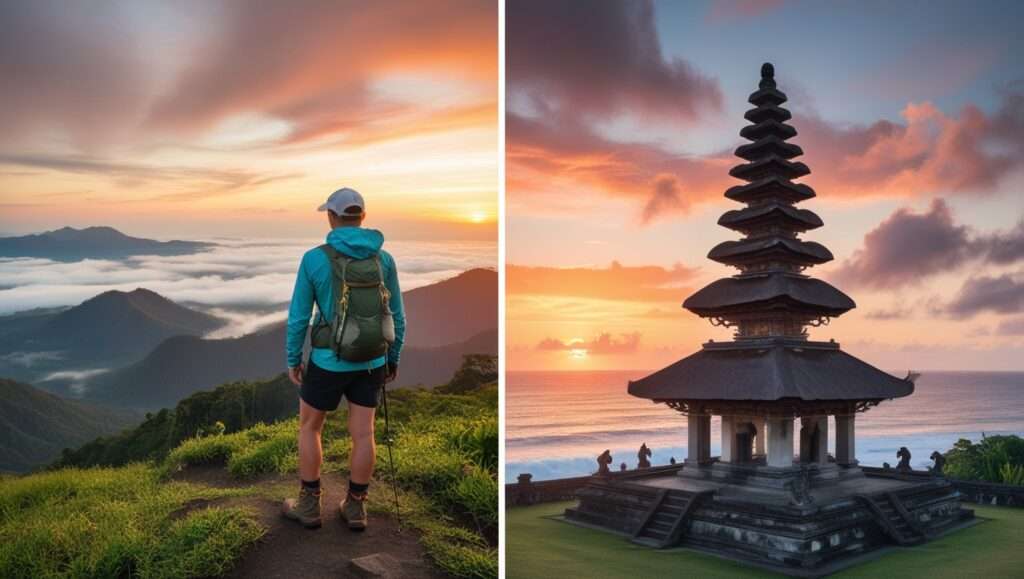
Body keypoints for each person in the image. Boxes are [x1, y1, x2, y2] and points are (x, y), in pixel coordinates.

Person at [281, 187, 405, 531]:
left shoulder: (315, 259)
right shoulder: (384, 260)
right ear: (362, 216)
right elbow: (396, 315)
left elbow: (299, 317)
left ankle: (309, 505)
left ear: (332, 217)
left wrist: (294, 357)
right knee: (364, 434)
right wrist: (392, 357)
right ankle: (356, 508)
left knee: (310, 426)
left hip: (327, 359)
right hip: (371, 361)